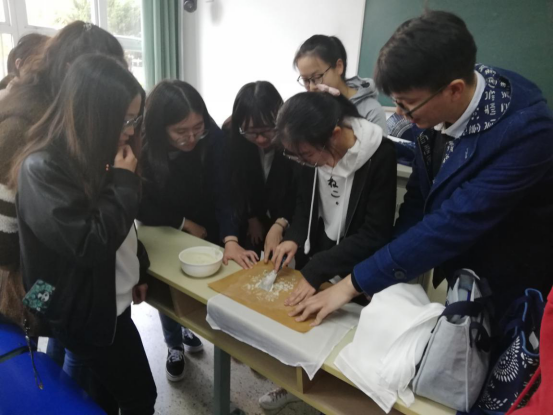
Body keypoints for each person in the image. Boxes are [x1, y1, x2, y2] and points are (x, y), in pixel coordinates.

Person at [291, 11, 553, 328]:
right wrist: (378, 276)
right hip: (465, 270)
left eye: (406, 104)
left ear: (454, 90)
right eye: (396, 102)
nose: (400, 115)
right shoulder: (434, 98)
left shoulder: (526, 134)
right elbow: (418, 199)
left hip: (515, 281)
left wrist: (352, 284)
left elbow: (452, 222)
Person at [12, 54, 156, 415]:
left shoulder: (98, 153)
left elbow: (122, 230)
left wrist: (137, 269)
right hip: (82, 310)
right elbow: (90, 243)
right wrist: (123, 182)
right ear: (94, 114)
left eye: (135, 118)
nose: (130, 129)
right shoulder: (41, 168)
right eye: (125, 119)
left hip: (108, 300)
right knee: (140, 395)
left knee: (101, 396)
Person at [259, 87, 396, 411]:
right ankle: (293, 383)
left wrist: (319, 267)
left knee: (343, 342)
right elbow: (304, 203)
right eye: (297, 156)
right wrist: (294, 236)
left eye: (306, 156)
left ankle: (336, 398)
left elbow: (375, 234)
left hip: (356, 265)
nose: (304, 162)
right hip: (318, 250)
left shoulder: (380, 154)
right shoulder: (307, 146)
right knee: (305, 324)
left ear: (334, 135)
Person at [0, 21, 128, 368]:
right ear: (73, 70)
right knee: (62, 340)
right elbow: (5, 242)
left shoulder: (71, 115)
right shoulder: (23, 126)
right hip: (32, 278)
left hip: (64, 272)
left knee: (62, 343)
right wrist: (38, 287)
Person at [138, 80, 258, 382]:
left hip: (207, 218)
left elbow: (225, 191)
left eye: (197, 128)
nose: (191, 137)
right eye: (181, 131)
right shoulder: (142, 144)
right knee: (169, 281)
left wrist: (230, 239)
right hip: (163, 220)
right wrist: (182, 222)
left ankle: (201, 329)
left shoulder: (212, 137)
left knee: (208, 278)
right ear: (159, 127)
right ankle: (174, 344)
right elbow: (140, 203)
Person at [223, 81, 297, 257]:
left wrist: (280, 223)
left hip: (287, 217)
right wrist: (252, 217)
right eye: (252, 133)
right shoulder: (234, 139)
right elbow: (238, 182)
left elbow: (297, 191)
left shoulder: (294, 141)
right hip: (251, 213)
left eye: (267, 130)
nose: (261, 139)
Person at [294, 34, 388, 134]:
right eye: (305, 80)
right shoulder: (311, 109)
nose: (312, 87)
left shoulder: (371, 111)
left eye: (317, 77)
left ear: (339, 67)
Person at [0, 33, 49, 99]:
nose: (44, 68)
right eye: (37, 63)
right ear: (19, 64)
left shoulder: (42, 92)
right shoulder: (5, 98)